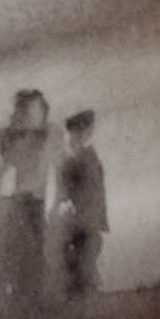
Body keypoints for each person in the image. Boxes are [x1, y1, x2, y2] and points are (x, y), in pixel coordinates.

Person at [0, 88, 57, 319]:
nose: (30, 116)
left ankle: (27, 308)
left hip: (34, 202)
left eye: (35, 111)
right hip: (16, 202)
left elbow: (58, 171)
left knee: (32, 256)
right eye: (25, 111)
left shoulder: (48, 134)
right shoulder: (7, 137)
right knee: (7, 257)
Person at [57, 109, 110, 296]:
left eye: (78, 134)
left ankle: (85, 293)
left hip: (84, 220)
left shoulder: (81, 160)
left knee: (84, 263)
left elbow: (92, 192)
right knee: (84, 263)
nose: (74, 139)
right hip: (84, 220)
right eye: (75, 134)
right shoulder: (84, 159)